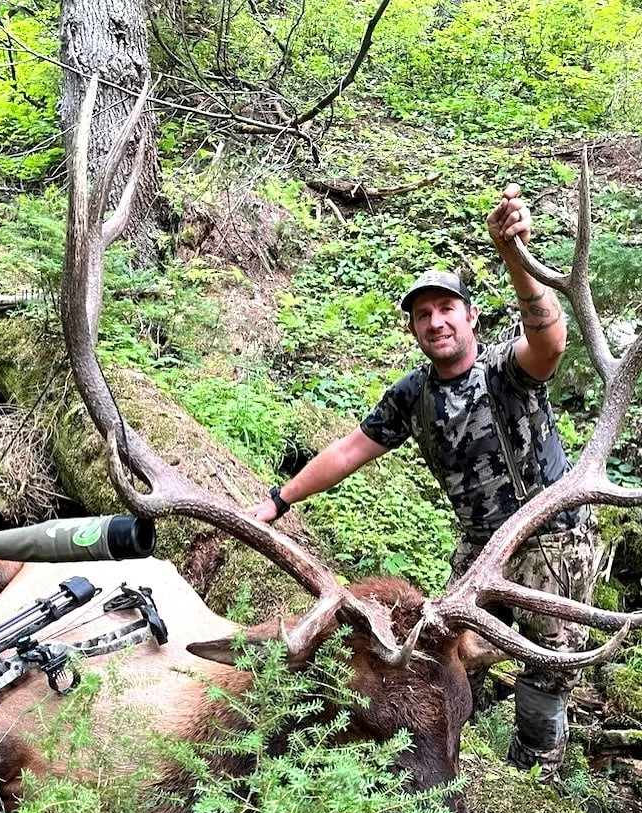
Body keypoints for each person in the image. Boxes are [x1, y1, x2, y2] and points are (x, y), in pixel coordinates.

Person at [248, 185, 596, 774]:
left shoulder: (506, 372)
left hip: (551, 543)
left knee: (549, 665)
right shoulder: (414, 395)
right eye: (423, 314)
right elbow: (350, 449)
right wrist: (278, 501)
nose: (436, 322)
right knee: (442, 655)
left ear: (470, 316)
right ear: (413, 326)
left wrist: (514, 256)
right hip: (481, 550)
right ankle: (456, 750)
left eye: (447, 309)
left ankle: (538, 771)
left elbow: (550, 341)